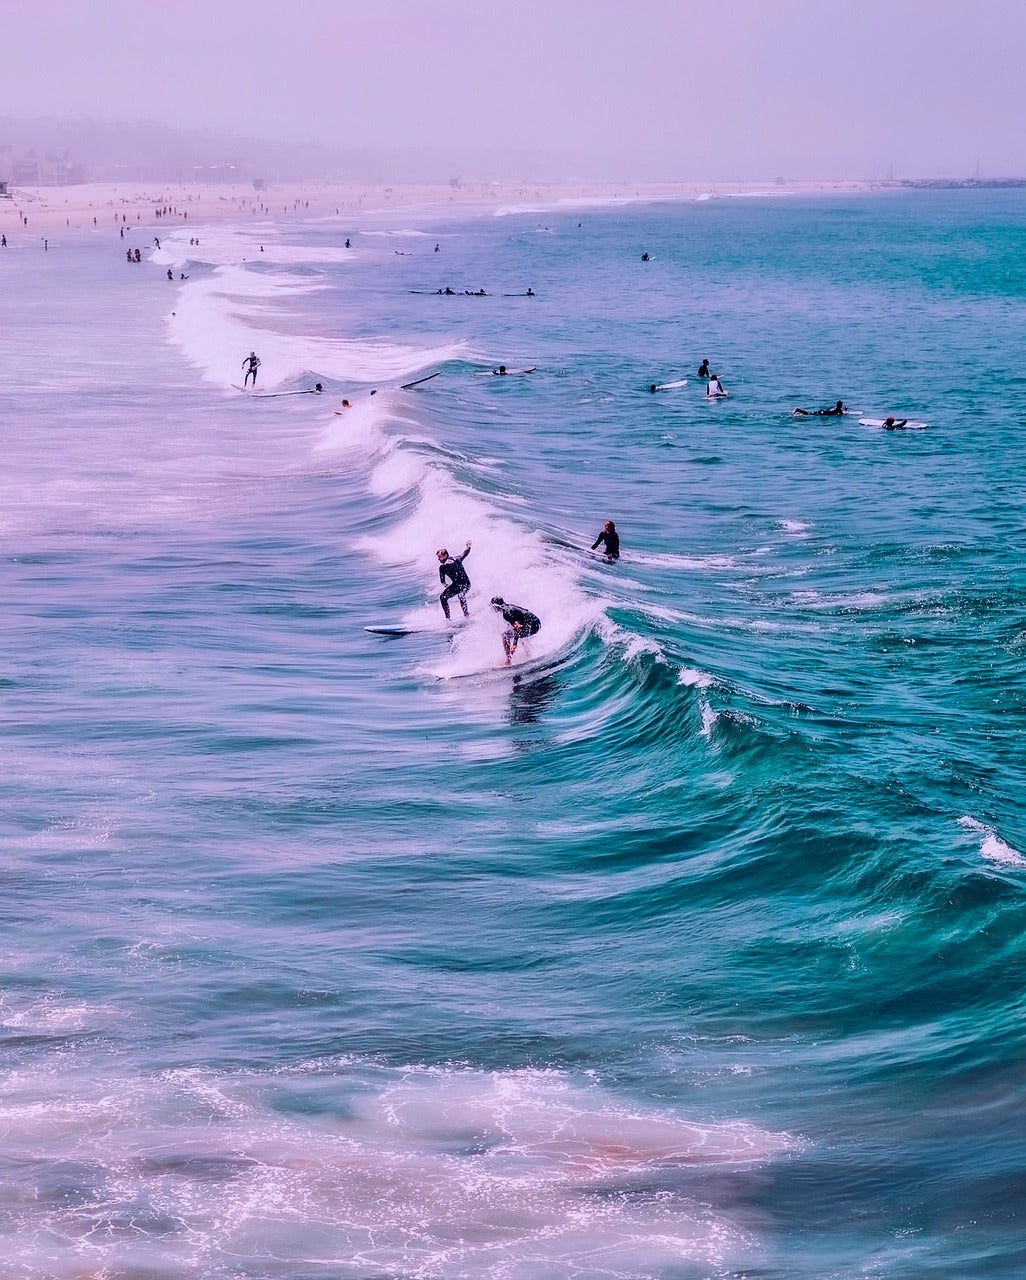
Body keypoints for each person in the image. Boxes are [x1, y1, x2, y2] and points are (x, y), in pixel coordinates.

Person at [491, 597, 541, 665]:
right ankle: (528, 653)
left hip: (533, 627)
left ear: (497, 606)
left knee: (505, 636)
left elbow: (517, 628)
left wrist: (514, 644)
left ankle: (508, 660)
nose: (493, 609)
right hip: (537, 623)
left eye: (493, 607)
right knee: (515, 632)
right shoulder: (509, 607)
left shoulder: (506, 613)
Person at [437, 541, 472, 619]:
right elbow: (442, 581)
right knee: (443, 597)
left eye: (440, 557)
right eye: (438, 557)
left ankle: (466, 615)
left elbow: (465, 553)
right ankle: (448, 619)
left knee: (461, 595)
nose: (438, 559)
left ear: (445, 555)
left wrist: (469, 547)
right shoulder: (442, 568)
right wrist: (446, 585)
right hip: (456, 585)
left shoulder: (457, 559)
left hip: (465, 584)